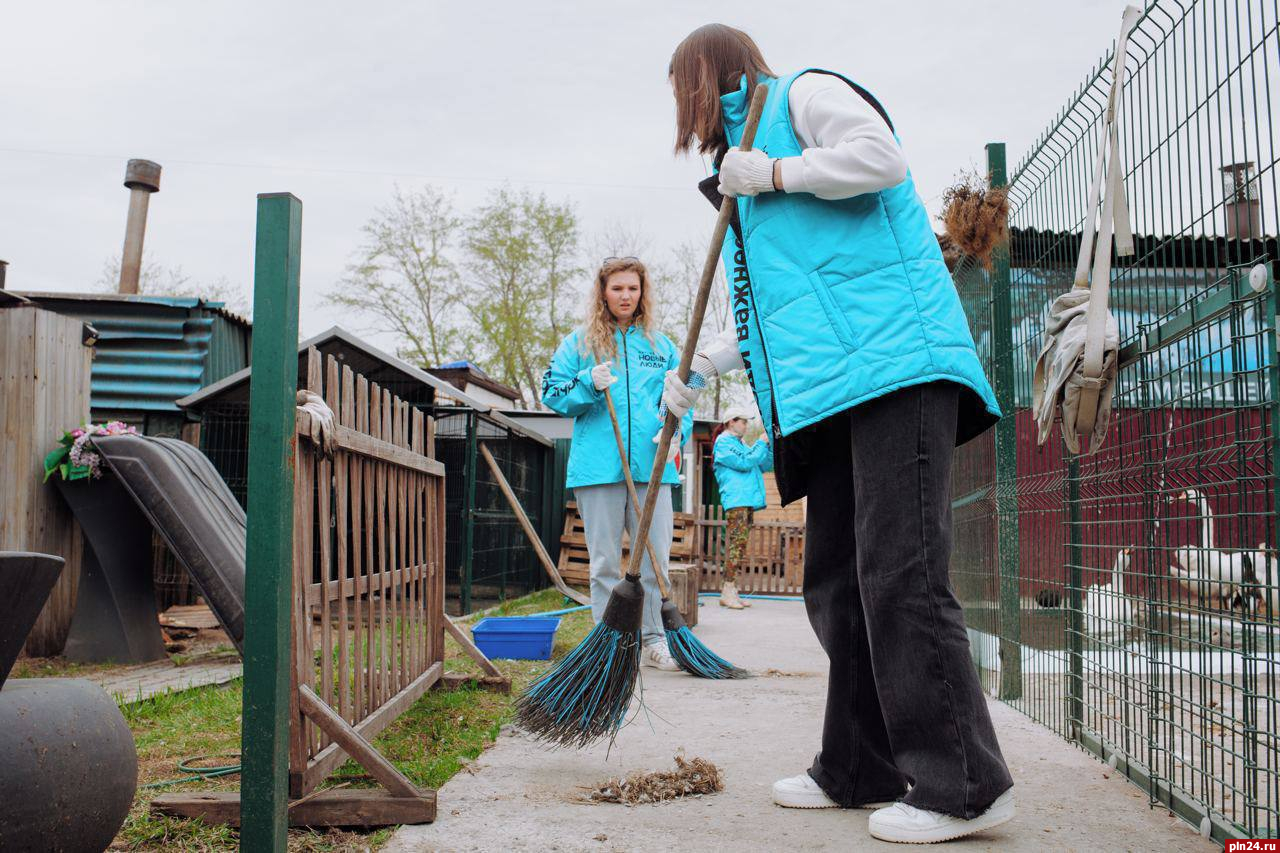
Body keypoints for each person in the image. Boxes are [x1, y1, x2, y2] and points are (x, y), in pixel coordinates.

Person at [663, 23, 1016, 844]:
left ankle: (964, 782)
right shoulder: (739, 174)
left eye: (681, 90)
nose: (680, 111)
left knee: (902, 570)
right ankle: (857, 763)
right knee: (835, 580)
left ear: (706, 75)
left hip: (897, 366)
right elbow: (778, 313)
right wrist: (707, 366)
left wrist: (777, 171)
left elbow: (882, 158)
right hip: (833, 391)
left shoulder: (802, 96)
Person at [541, 256, 693, 672]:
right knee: (606, 562)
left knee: (653, 561)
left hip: (653, 468)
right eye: (617, 288)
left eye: (632, 288)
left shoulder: (661, 346)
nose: (625, 295)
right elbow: (552, 393)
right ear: (602, 292)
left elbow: (684, 392)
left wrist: (675, 428)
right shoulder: (579, 344)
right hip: (598, 469)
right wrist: (588, 383)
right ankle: (607, 645)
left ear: (642, 292)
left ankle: (652, 640)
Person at [711, 405, 772, 609]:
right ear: (731, 422)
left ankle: (731, 591)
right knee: (736, 547)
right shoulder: (723, 444)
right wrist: (761, 442)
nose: (746, 425)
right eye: (743, 421)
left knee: (739, 547)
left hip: (745, 500)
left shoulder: (740, 443)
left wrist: (768, 446)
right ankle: (727, 591)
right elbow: (746, 462)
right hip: (736, 500)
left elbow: (762, 464)